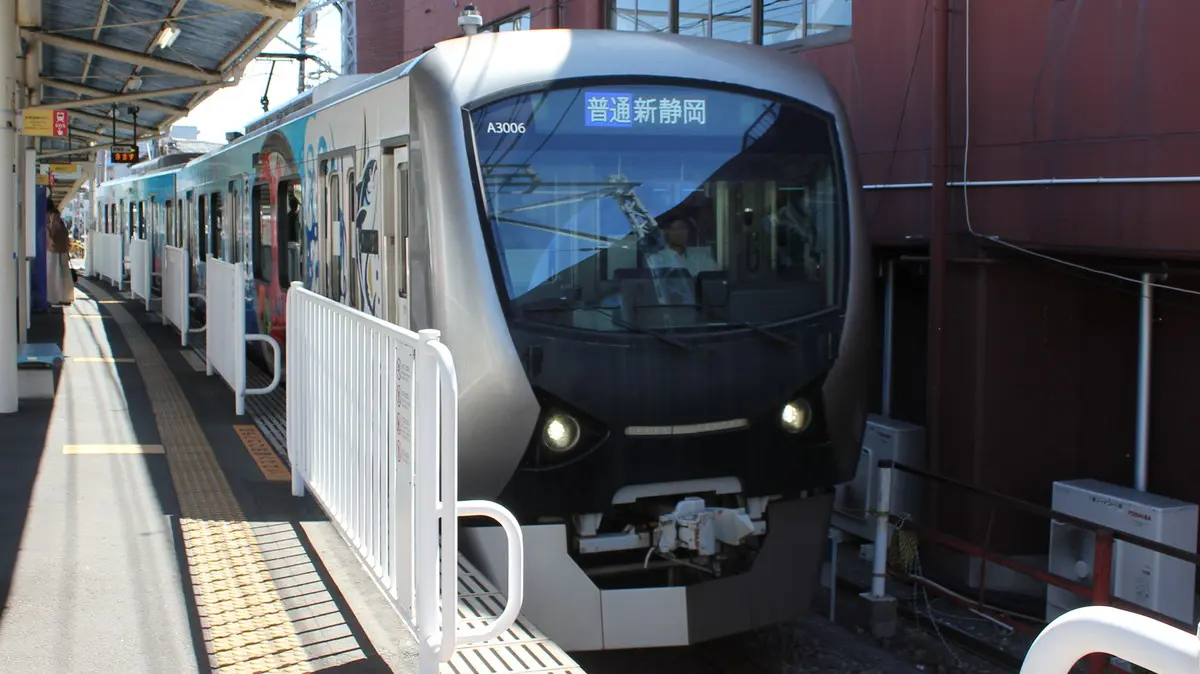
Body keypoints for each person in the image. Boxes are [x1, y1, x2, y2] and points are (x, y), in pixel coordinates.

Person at [45, 200, 74, 306]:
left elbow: (52, 231)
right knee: (64, 275)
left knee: (53, 275)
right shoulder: (58, 217)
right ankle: (65, 297)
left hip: (54, 250)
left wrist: (49, 240)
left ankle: (53, 298)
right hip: (62, 249)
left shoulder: (52, 217)